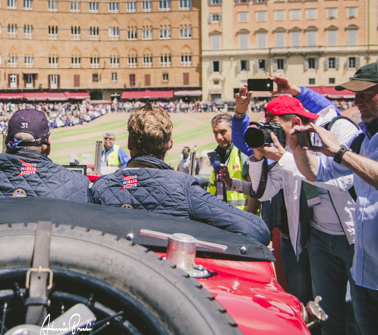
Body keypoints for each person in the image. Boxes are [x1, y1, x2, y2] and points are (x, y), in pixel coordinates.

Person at [291, 61, 378, 335]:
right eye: (354, 93)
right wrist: (298, 150)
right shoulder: (365, 139)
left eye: (365, 93)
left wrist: (339, 152)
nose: (356, 100)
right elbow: (318, 173)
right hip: (364, 276)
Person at [246, 94, 359, 335]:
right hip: (319, 239)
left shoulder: (333, 132)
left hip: (354, 240)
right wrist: (257, 157)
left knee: (356, 315)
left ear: (296, 121)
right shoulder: (283, 151)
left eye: (277, 126)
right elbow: (264, 193)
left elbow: (338, 179)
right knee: (328, 316)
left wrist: (286, 158)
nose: (273, 133)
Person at [89, 103, 270, 245]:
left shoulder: (101, 186)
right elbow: (258, 231)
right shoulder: (184, 187)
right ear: (169, 145)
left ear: (129, 143)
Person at [207, 114, 254, 212]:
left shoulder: (242, 152)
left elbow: (255, 190)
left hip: (243, 219)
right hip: (223, 217)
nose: (219, 137)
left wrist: (250, 220)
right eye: (215, 133)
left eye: (223, 132)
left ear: (234, 131)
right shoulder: (216, 155)